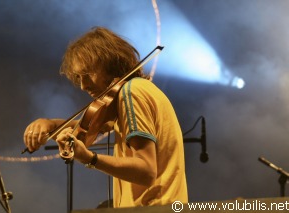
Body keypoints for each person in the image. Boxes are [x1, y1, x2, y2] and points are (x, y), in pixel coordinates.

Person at [23, 27, 188, 207]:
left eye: (87, 74)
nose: (83, 86)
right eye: (78, 78)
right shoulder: (137, 93)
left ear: (109, 63)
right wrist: (50, 124)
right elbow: (87, 128)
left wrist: (90, 158)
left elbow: (146, 171)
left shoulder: (132, 92)